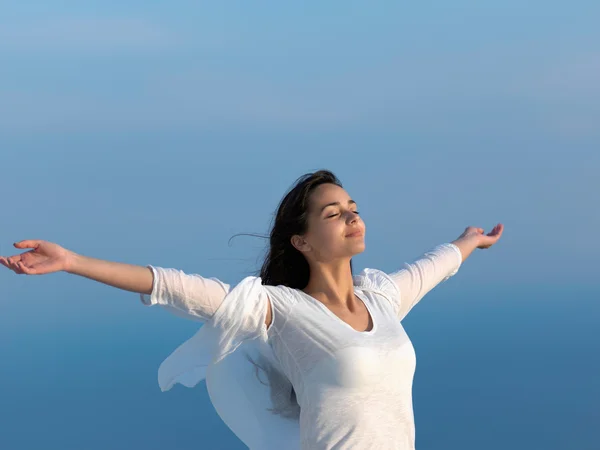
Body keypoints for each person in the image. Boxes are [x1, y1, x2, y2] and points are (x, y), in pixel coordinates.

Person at [0, 170, 503, 450]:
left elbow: (434, 266)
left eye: (353, 206)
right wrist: (71, 261)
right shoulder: (279, 309)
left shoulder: (382, 298)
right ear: (301, 241)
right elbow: (175, 287)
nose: (352, 215)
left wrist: (468, 241)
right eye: (334, 212)